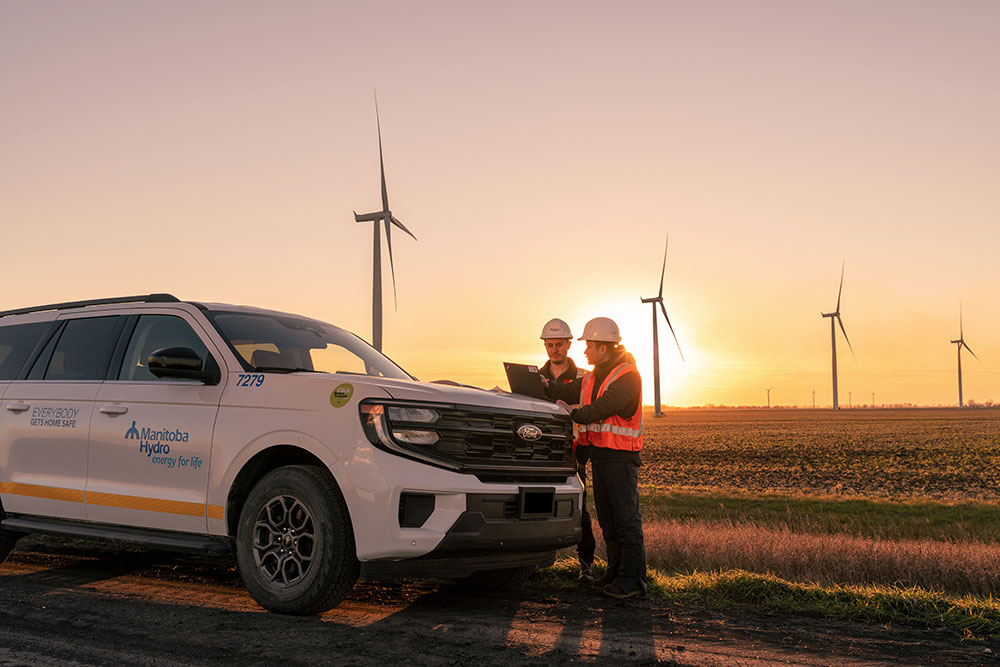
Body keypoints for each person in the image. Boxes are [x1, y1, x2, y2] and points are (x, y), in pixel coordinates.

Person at [546, 317, 646, 599]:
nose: (585, 351)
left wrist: (573, 414)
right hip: (601, 457)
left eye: (589, 345)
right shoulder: (592, 376)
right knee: (609, 520)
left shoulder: (627, 376)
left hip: (622, 459)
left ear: (604, 347)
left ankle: (633, 579)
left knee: (626, 520)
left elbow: (604, 407)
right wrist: (541, 384)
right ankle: (614, 572)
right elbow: (565, 391)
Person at [537, 318, 594, 584]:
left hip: (574, 451)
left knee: (579, 508)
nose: (554, 350)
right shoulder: (535, 378)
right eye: (549, 345)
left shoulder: (584, 377)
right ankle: (534, 563)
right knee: (537, 505)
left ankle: (586, 566)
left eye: (559, 344)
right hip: (539, 451)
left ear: (569, 344)